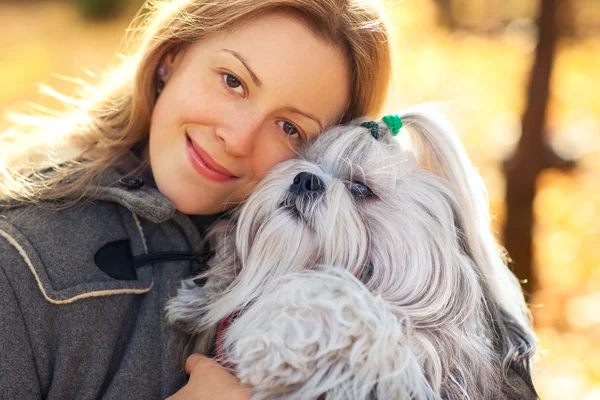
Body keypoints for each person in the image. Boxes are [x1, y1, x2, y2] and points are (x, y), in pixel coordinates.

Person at [0, 0, 391, 398]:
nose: (237, 139)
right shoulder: (18, 263)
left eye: (289, 127)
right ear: (172, 57)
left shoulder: (352, 303)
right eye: (232, 81)